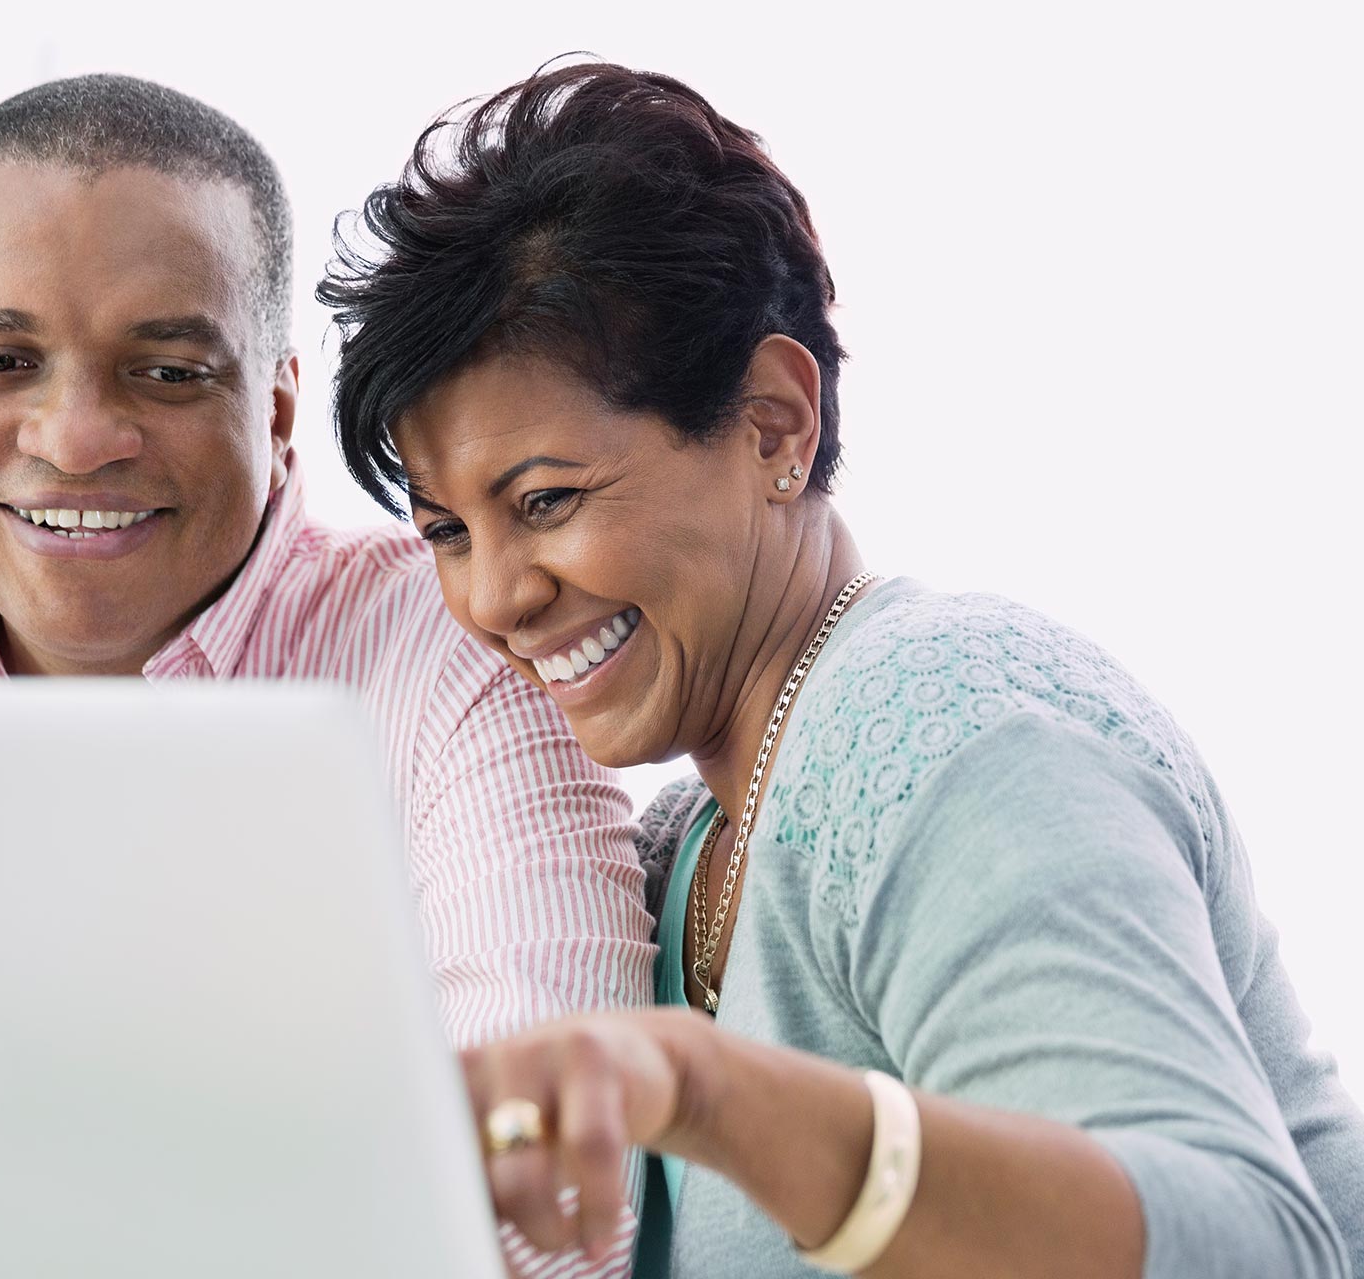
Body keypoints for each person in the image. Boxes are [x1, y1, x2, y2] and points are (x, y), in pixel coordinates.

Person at [321, 62, 1364, 1279]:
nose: (494, 596)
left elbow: (1252, 1248)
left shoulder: (945, 726)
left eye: (545, 500)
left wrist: (713, 1093)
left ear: (774, 423)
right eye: (448, 530)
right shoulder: (682, 846)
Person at [0, 74, 654, 1276]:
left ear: (277, 404)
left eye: (166, 372)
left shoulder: (456, 656)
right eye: (0, 361)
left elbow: (559, 1218)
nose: (73, 437)